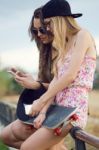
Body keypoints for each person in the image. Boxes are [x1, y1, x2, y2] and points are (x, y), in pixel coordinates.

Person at [11, 0, 96, 149]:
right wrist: (43, 111)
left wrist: (41, 101)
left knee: (27, 147)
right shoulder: (62, 45)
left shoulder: (83, 35)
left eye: (49, 23)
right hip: (57, 107)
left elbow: (69, 76)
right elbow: (56, 81)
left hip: (72, 110)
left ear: (60, 20)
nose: (47, 28)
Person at [0, 6, 67, 150]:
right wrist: (32, 81)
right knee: (5, 136)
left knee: (31, 141)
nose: (38, 34)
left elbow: (65, 85)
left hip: (62, 106)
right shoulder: (45, 50)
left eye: (41, 29)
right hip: (47, 105)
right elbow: (46, 82)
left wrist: (37, 85)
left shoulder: (66, 49)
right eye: (34, 31)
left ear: (52, 26)